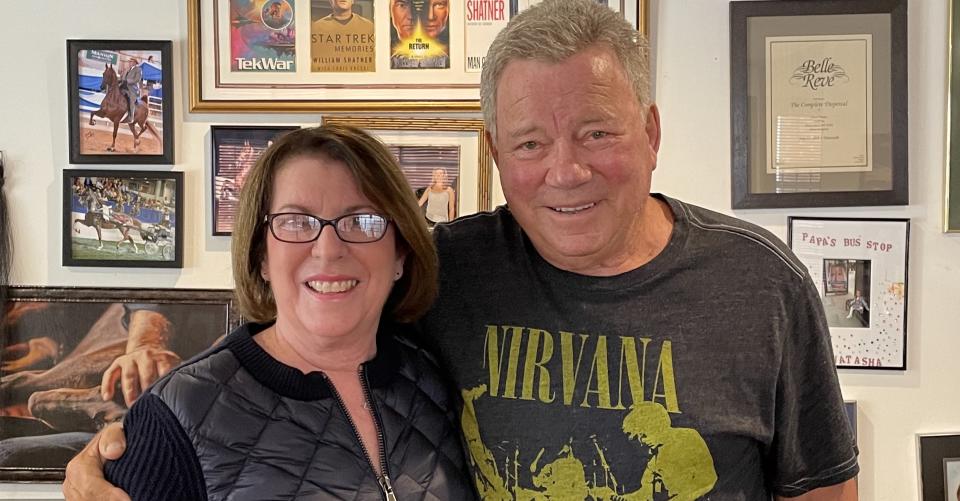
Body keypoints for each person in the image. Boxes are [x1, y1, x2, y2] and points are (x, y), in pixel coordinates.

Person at [65, 1, 858, 499]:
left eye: (597, 132)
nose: (565, 170)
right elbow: (294, 335)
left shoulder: (762, 286)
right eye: (530, 142)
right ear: (495, 152)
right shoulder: (456, 266)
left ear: (650, 132)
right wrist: (138, 430)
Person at [64, 125, 473, 500]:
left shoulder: (436, 375)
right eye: (296, 221)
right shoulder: (177, 416)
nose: (328, 249)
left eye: (361, 221)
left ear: (400, 251)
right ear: (261, 255)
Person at [118, 58, 141, 125]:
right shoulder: (127, 69)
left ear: (134, 63)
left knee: (131, 100)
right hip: (124, 85)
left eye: (131, 62)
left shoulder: (138, 70)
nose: (129, 63)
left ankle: (131, 118)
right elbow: (122, 78)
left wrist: (127, 81)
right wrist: (120, 79)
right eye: (129, 62)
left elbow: (137, 79)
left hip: (132, 88)